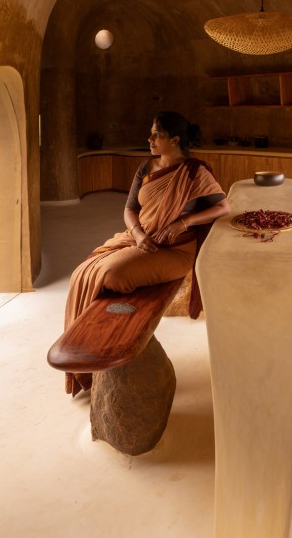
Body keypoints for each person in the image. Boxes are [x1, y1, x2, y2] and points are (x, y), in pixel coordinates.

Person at [61, 111, 229, 396]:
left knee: (110, 273)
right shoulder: (146, 167)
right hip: (139, 239)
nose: (149, 139)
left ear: (175, 139)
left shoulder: (194, 172)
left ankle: (102, 347)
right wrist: (138, 234)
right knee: (83, 272)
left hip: (174, 251)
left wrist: (183, 222)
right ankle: (85, 356)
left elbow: (223, 208)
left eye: (156, 135)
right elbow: (130, 209)